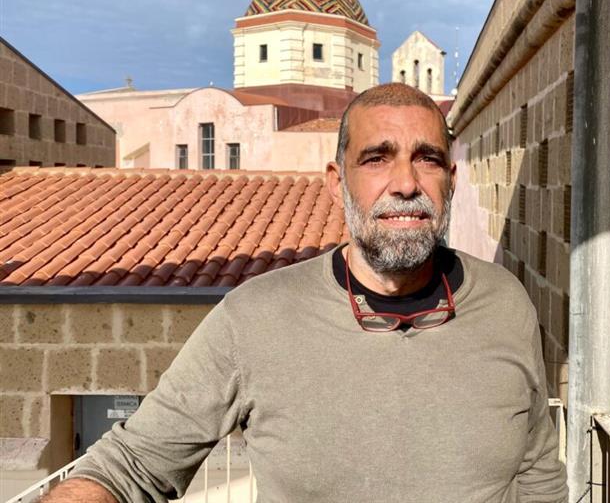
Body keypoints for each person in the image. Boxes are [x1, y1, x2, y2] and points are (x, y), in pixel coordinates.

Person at [41, 83, 567, 502]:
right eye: (377, 158)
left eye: (426, 158)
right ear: (337, 181)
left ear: (450, 179)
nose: (406, 183)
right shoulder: (254, 318)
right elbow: (132, 465)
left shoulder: (505, 302)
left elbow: (537, 467)